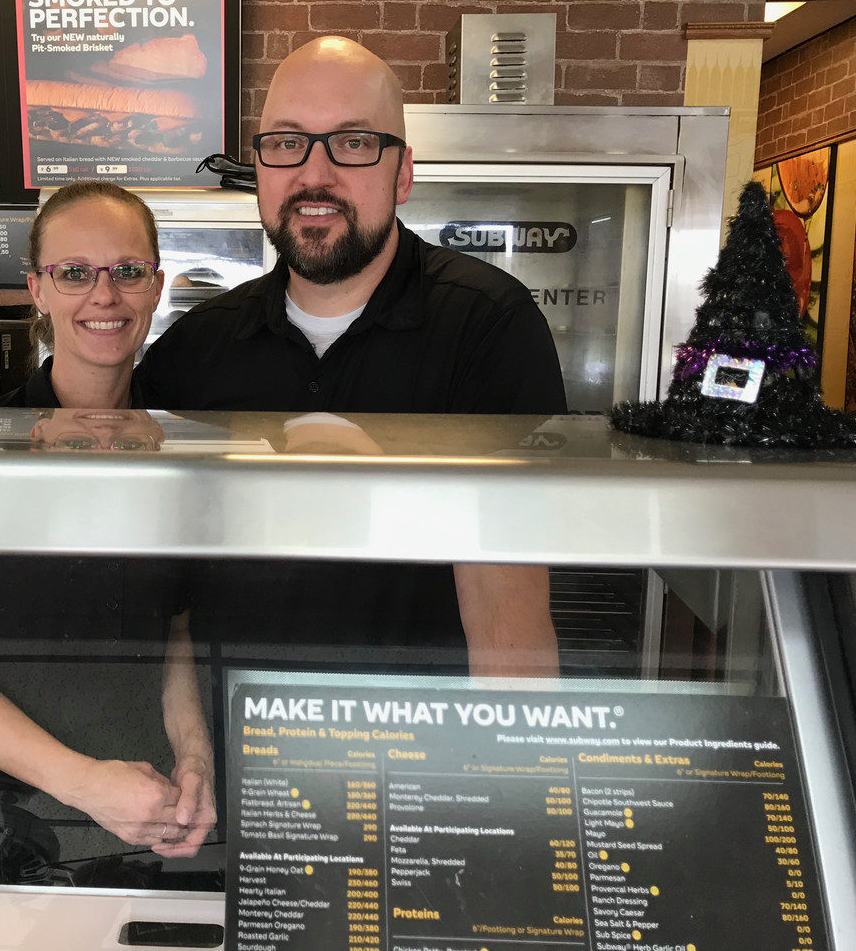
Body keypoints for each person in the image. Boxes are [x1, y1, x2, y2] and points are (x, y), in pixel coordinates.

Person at [136, 36, 566, 678]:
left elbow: (506, 598)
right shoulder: (200, 344)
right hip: (238, 743)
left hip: (417, 750)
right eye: (286, 143)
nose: (314, 175)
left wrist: (504, 769)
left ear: (405, 172)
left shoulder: (487, 324)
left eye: (354, 142)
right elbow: (158, 573)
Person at [0, 182, 215, 884]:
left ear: (155, 287)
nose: (105, 296)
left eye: (127, 272)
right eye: (74, 273)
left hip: (143, 827)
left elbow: (176, 633)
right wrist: (85, 783)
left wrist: (193, 760)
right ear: (36, 288)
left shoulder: (179, 455)